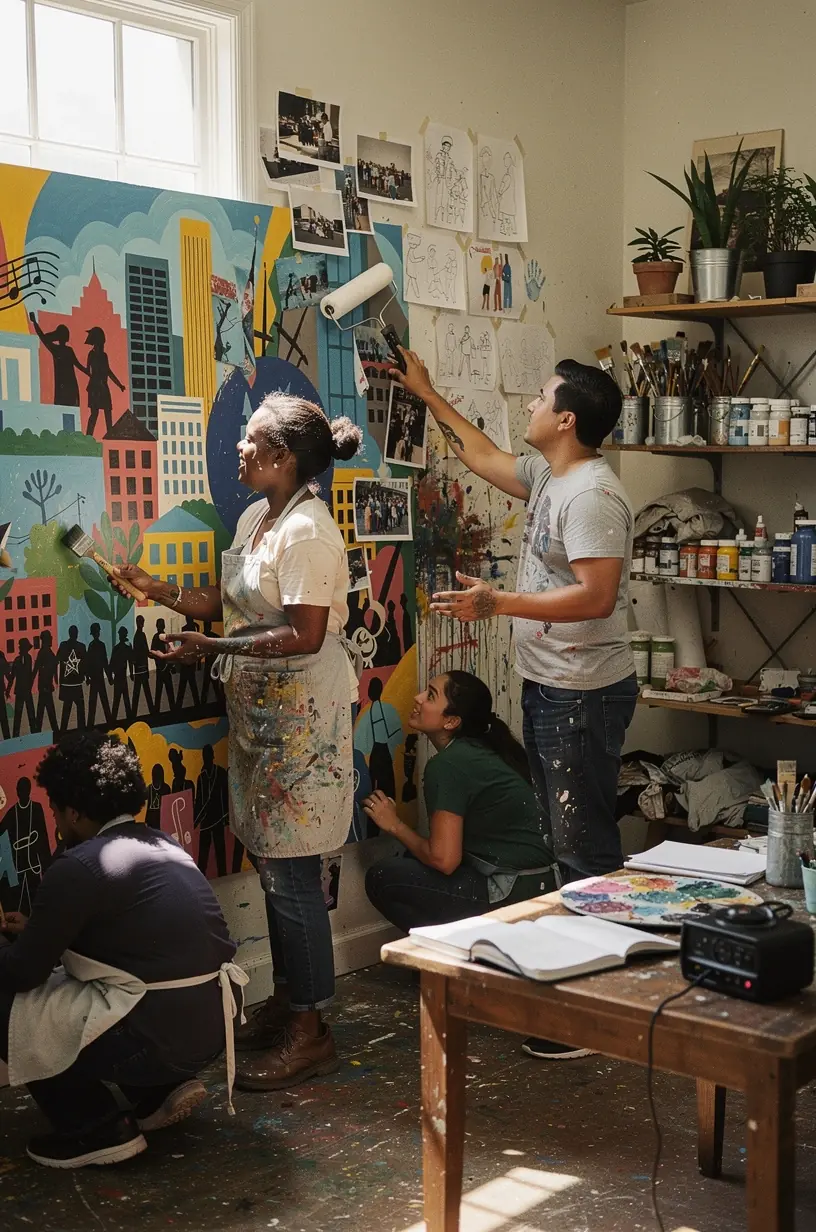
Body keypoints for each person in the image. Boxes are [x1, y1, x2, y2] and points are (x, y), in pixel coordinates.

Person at [111, 392, 363, 1090]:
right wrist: (156, 588)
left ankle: (311, 1031)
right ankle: (289, 1004)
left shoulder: (307, 532)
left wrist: (212, 648)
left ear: (282, 457)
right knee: (275, 870)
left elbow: (305, 635)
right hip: (262, 720)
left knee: (293, 877)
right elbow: (230, 607)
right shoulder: (258, 518)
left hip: (303, 725)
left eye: (251, 441)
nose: (239, 448)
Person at [392, 348, 636, 1060]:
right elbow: (482, 456)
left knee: (583, 846)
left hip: (580, 694)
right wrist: (427, 394)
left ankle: (596, 1014)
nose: (530, 402)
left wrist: (498, 603)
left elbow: (596, 597)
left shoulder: (591, 496)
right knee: (568, 841)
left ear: (566, 420)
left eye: (541, 396)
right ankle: (581, 997)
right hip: (553, 686)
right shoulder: (550, 474)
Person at [0, 732, 245, 1168]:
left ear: (74, 812)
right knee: (110, 990)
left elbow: (23, 974)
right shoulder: (162, 842)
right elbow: (127, 944)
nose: (54, 820)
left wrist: (20, 945)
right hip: (214, 1025)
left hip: (157, 1040)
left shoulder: (76, 866)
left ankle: (95, 1126)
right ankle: (155, 1094)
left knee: (12, 1003)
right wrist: (36, 932)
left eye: (55, 809)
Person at [364, 671, 556, 931]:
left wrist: (394, 825)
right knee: (412, 857)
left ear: (451, 721)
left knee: (383, 878)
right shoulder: (481, 748)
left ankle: (451, 952)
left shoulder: (449, 764)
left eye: (431, 695)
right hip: (541, 884)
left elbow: (444, 860)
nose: (418, 698)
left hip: (515, 891)